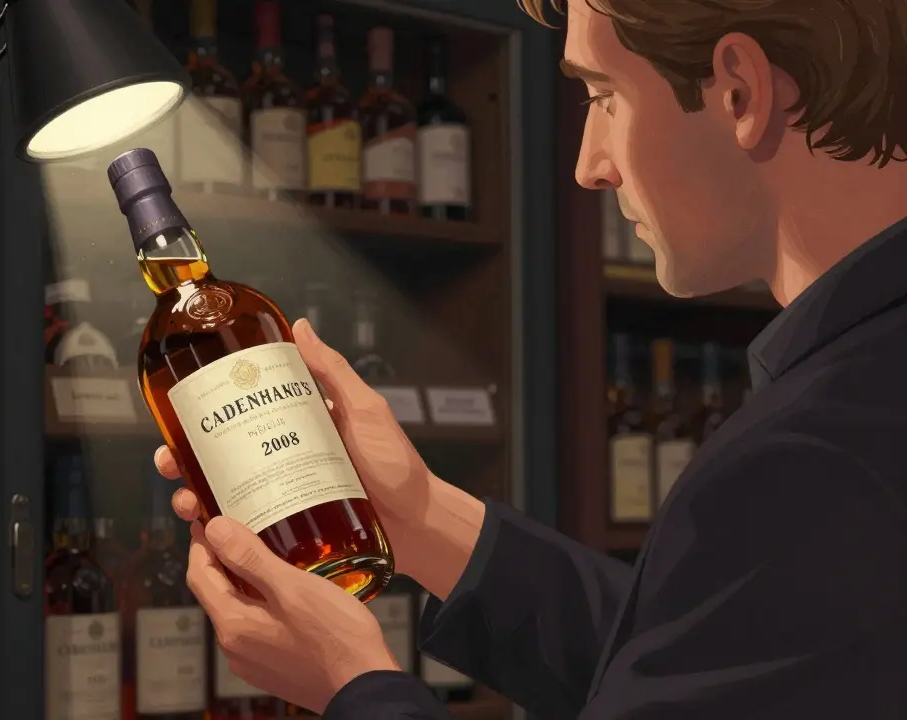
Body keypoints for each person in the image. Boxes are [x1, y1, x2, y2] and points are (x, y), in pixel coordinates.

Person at [154, 0, 907, 717]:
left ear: (739, 91)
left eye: (605, 96)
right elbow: (714, 662)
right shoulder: (861, 389)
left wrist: (353, 684)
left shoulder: (811, 461)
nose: (589, 165)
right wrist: (415, 512)